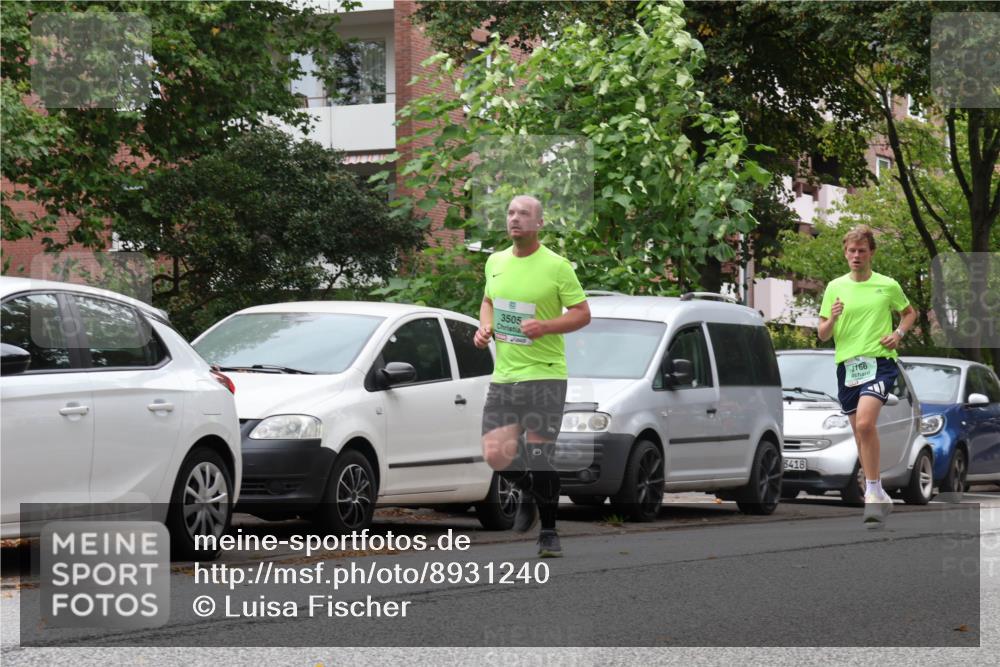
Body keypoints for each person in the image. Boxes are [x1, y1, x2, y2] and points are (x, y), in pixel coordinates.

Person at [473, 195, 590, 557]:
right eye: (510, 213)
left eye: (524, 214)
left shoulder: (557, 266)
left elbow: (583, 313)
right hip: (505, 375)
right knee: (496, 454)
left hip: (546, 374)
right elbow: (489, 300)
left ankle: (550, 532)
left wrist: (546, 326)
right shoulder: (495, 261)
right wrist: (484, 327)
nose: (515, 219)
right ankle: (529, 489)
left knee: (539, 454)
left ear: (539, 223)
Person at [818, 225, 917, 527]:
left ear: (871, 252)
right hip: (848, 366)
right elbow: (822, 334)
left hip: (880, 362)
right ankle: (879, 491)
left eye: (862, 250)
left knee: (864, 423)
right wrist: (832, 317)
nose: (856, 255)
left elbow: (909, 313)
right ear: (845, 253)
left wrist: (898, 333)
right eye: (851, 250)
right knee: (860, 433)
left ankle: (872, 491)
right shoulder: (835, 287)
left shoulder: (886, 285)